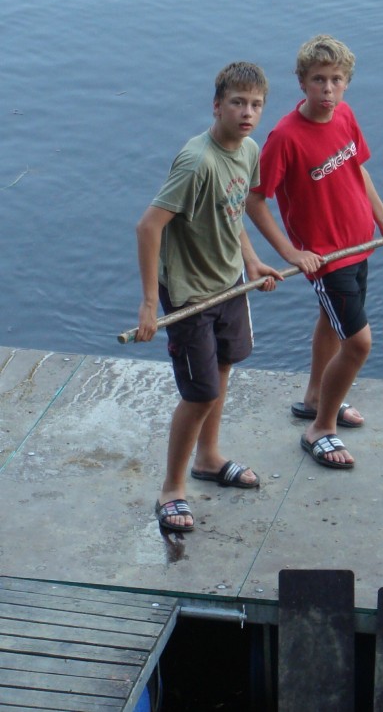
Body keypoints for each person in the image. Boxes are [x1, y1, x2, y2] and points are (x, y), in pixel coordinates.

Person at [246, 34, 383, 471]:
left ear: (347, 82)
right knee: (358, 344)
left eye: (336, 79)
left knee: (330, 322)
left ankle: (317, 396)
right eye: (319, 79)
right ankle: (320, 428)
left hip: (359, 245)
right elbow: (255, 200)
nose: (328, 89)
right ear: (302, 83)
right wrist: (291, 252)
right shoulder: (285, 137)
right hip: (327, 259)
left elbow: (358, 170)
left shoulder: (345, 116)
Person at [135, 62, 283, 532]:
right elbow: (148, 227)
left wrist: (252, 261)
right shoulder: (197, 161)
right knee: (199, 393)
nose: (247, 113)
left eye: (255, 105)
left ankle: (209, 458)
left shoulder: (250, 149)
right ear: (217, 106)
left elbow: (232, 213)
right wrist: (149, 304)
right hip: (190, 293)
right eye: (237, 103)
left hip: (229, 282)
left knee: (222, 368)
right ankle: (171, 489)